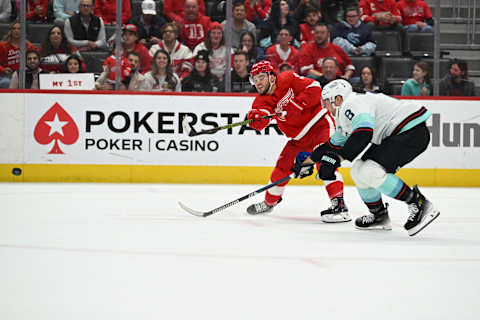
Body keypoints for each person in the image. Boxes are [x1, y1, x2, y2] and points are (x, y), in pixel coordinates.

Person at [294, 79, 440, 236]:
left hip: (410, 132)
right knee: (358, 170)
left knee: (370, 171)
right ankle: (379, 215)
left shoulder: (351, 103)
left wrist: (336, 160)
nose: (325, 107)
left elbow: (363, 134)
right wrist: (307, 162)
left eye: (326, 102)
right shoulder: (346, 114)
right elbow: (332, 145)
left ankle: (418, 203)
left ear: (337, 99)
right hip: (399, 133)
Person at [245, 60, 350, 223]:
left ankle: (340, 206)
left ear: (271, 76)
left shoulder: (287, 78)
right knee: (282, 168)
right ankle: (270, 202)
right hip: (298, 138)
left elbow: (315, 88)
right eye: (254, 79)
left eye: (260, 77)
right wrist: (255, 119)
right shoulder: (261, 100)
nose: (257, 82)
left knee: (324, 163)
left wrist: (296, 105)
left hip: (319, 125)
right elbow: (260, 120)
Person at [0, 21, 36, 88]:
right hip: (6, 75)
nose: (16, 31)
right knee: (6, 83)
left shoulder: (29, 46)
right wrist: (2, 69)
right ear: (10, 31)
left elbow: (35, 62)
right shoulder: (2, 45)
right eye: (14, 28)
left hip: (25, 75)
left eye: (19, 29)